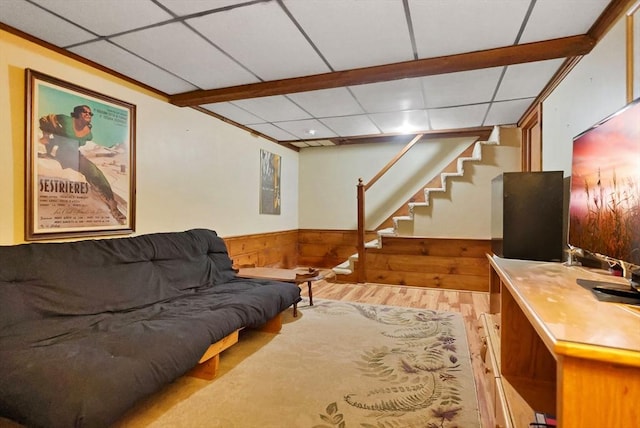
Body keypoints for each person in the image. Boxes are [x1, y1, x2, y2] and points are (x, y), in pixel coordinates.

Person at [38, 105, 126, 224]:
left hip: (75, 155)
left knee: (96, 173)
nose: (88, 115)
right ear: (78, 114)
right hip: (59, 153)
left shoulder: (88, 133)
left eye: (90, 113)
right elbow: (45, 119)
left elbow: (78, 143)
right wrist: (46, 137)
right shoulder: (65, 120)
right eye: (85, 112)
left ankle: (112, 205)